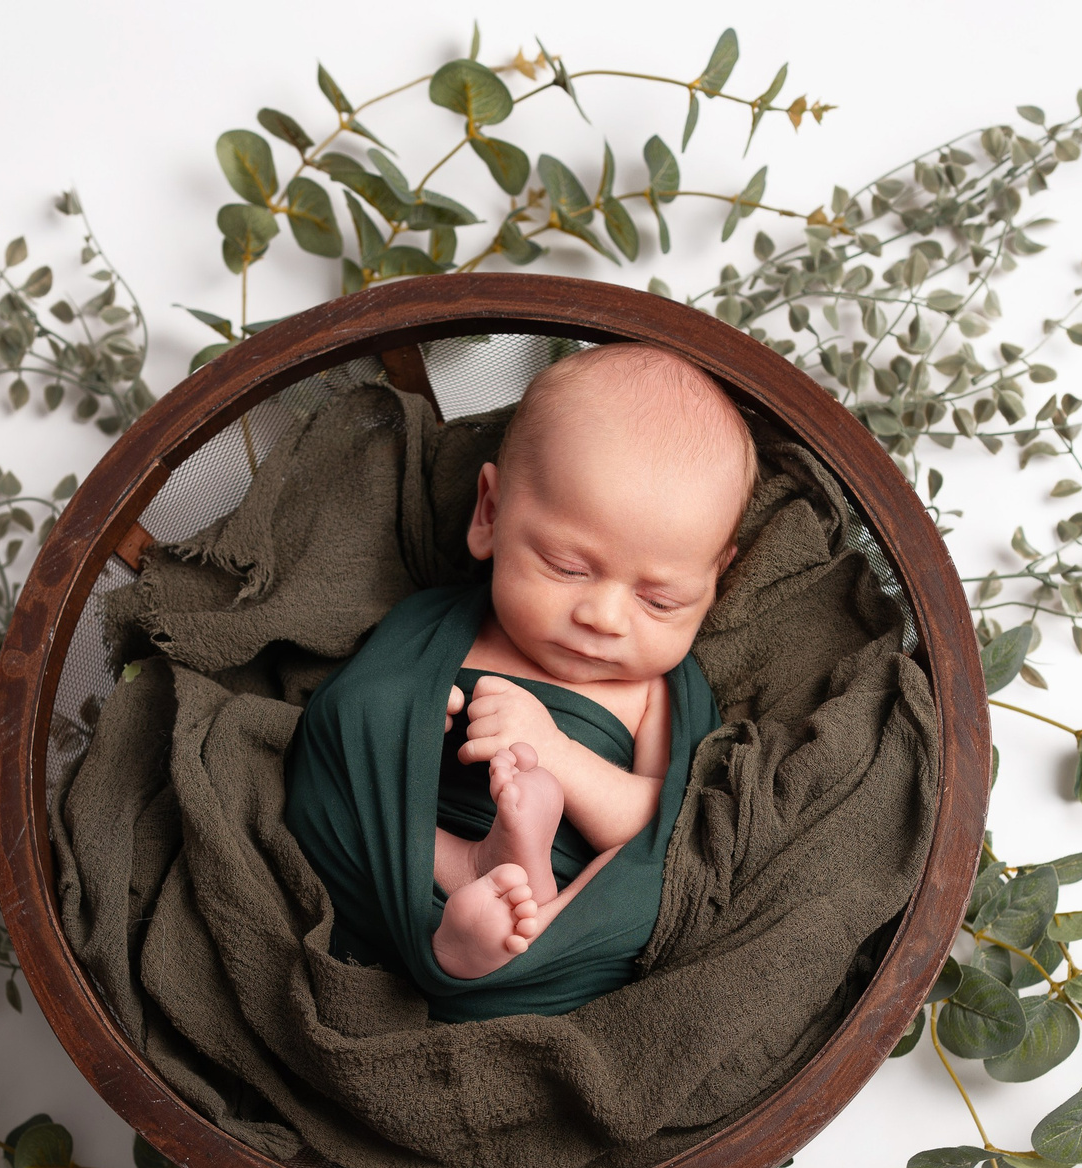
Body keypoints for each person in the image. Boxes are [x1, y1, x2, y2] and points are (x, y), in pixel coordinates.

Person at [282, 342, 757, 1020]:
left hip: (558, 919)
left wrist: (555, 753)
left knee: (648, 880)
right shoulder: (437, 628)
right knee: (342, 754)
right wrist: (402, 718)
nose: (603, 617)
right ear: (491, 515)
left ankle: (509, 935)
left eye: (661, 601)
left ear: (716, 580)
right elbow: (341, 729)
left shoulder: (657, 695)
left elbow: (664, 827)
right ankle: (473, 877)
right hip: (404, 867)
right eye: (568, 567)